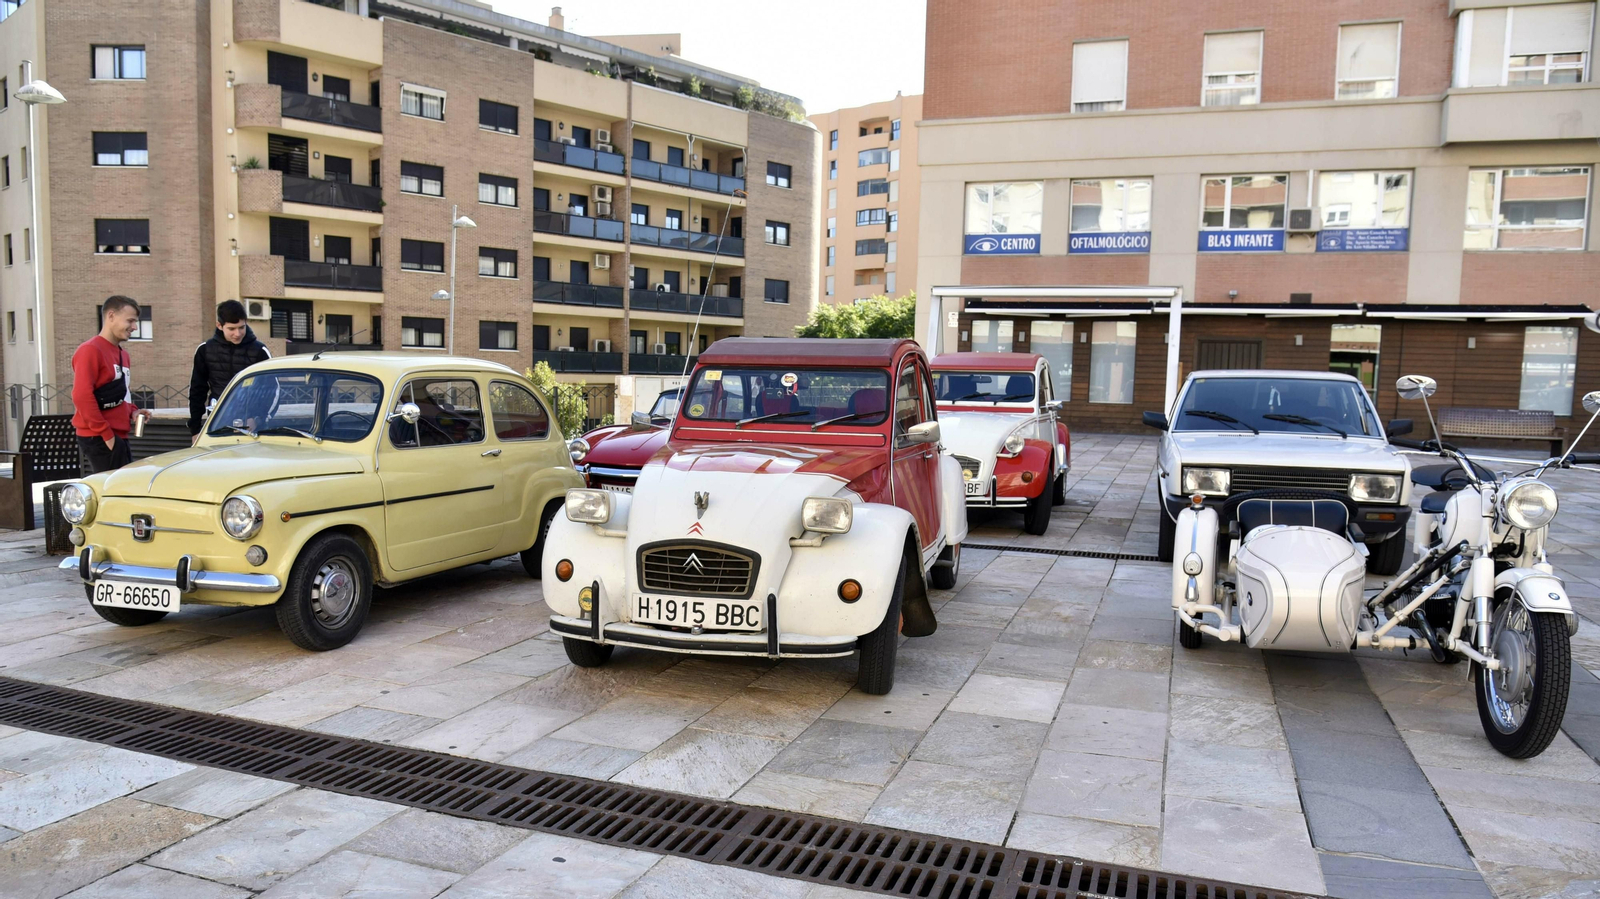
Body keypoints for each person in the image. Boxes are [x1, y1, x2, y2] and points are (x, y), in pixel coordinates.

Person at [71, 295, 151, 474]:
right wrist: (107, 435)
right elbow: (81, 396)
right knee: (112, 492)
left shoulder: (123, 354)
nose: (134, 327)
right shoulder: (90, 350)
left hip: (116, 435)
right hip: (100, 436)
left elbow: (117, 394)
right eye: (130, 320)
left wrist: (132, 411)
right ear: (111, 316)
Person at [188, 300, 271, 443]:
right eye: (231, 329)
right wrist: (195, 430)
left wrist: (258, 419)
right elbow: (197, 391)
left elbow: (271, 389)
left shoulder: (260, 351)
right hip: (218, 423)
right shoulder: (205, 350)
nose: (237, 333)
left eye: (241, 327)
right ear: (219, 325)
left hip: (253, 426)